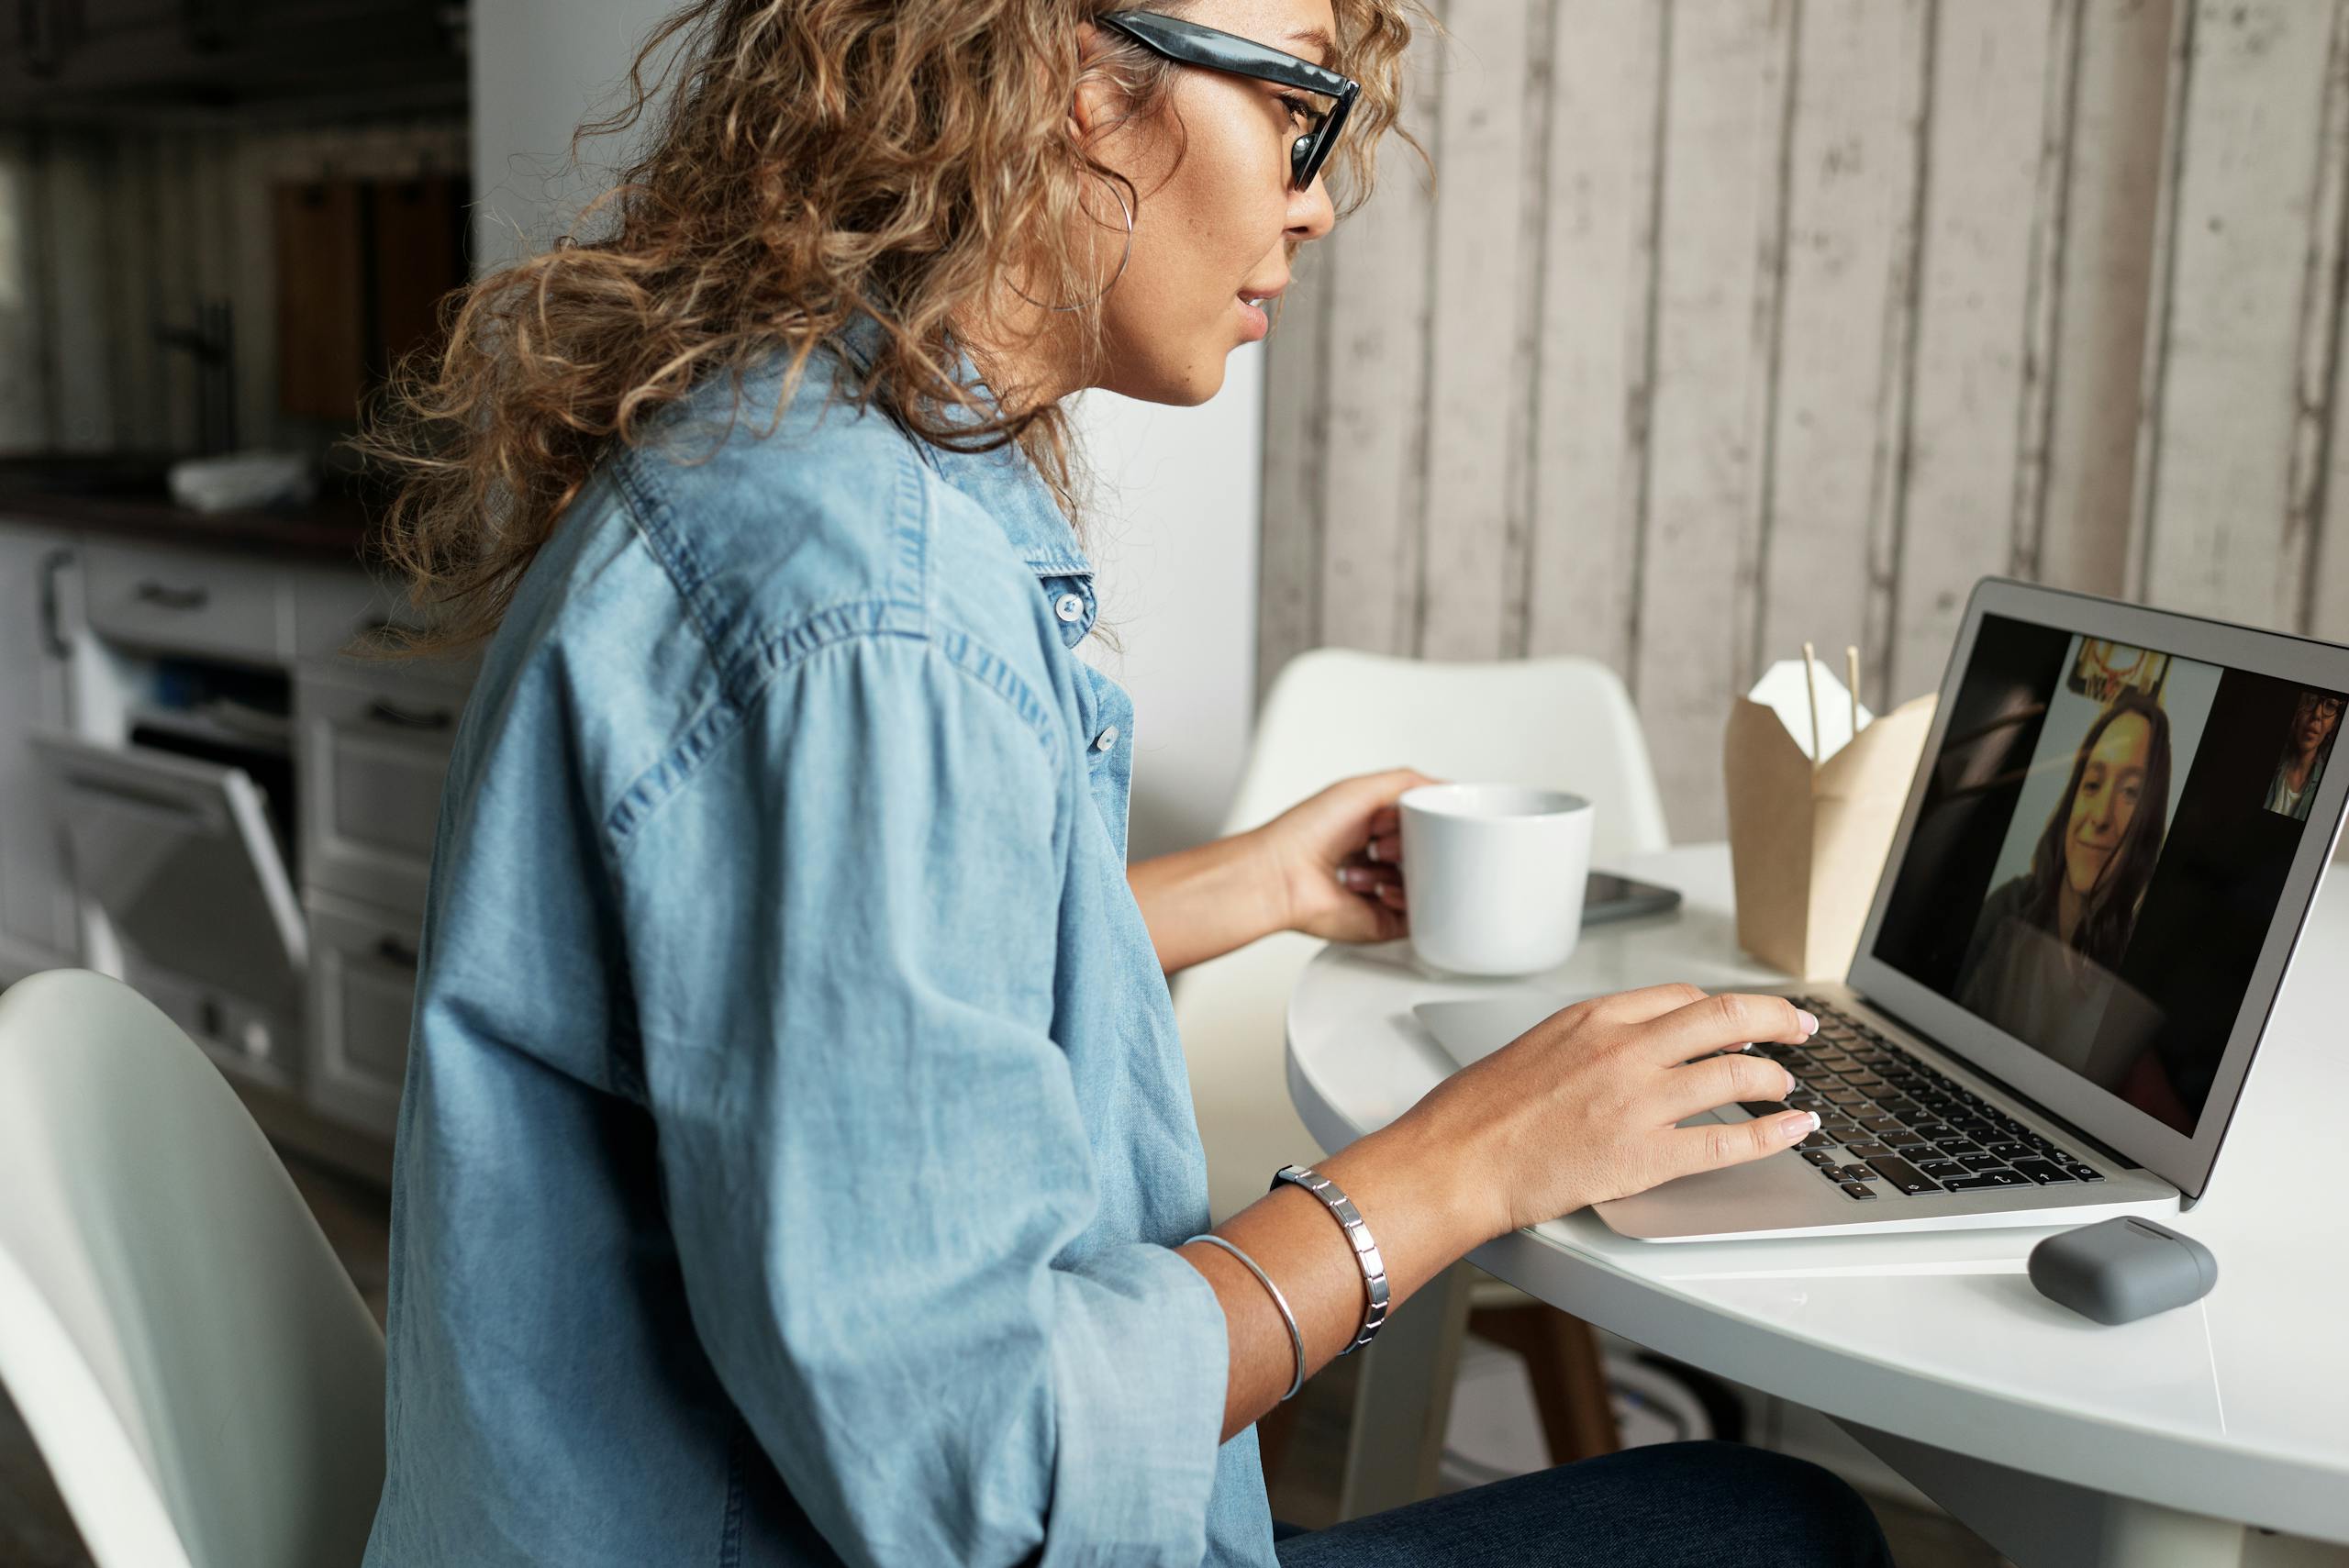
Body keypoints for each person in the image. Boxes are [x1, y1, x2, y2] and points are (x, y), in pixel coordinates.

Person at [354, 3, 1895, 1564]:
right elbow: (992, 1470)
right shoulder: (873, 617)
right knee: (1782, 1533)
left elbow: (832, 1027)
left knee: (1769, 1519)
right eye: (1301, 104)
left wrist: (1256, 882)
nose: (1313, 195)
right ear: (1075, 80)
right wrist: (1469, 1159)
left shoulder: (810, 464)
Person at [1956, 692, 2171, 1084]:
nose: (2101, 817)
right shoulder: (2007, 911)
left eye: (2129, 793)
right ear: (2074, 795)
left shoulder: (2136, 966)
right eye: (2092, 784)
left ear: (2149, 819)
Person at [2263, 689, 2342, 820]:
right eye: (2310, 701)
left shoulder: (2331, 790)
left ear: (2333, 724)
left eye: (2330, 705)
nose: (2316, 714)